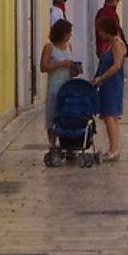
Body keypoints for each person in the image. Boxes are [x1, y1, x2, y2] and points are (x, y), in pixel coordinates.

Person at [91, 12, 128, 158]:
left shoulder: (117, 44)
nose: (99, 33)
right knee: (110, 116)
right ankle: (113, 147)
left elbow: (116, 66)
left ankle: (114, 149)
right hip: (106, 83)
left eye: (100, 30)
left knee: (110, 116)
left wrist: (101, 78)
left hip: (112, 84)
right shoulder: (110, 44)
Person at [39, 17, 81, 153]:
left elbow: (69, 66)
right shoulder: (49, 47)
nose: (70, 35)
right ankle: (52, 144)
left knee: (66, 115)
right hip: (54, 86)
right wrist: (61, 64)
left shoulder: (69, 46)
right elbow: (43, 67)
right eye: (68, 32)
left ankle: (68, 143)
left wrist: (74, 69)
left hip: (67, 84)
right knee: (52, 116)